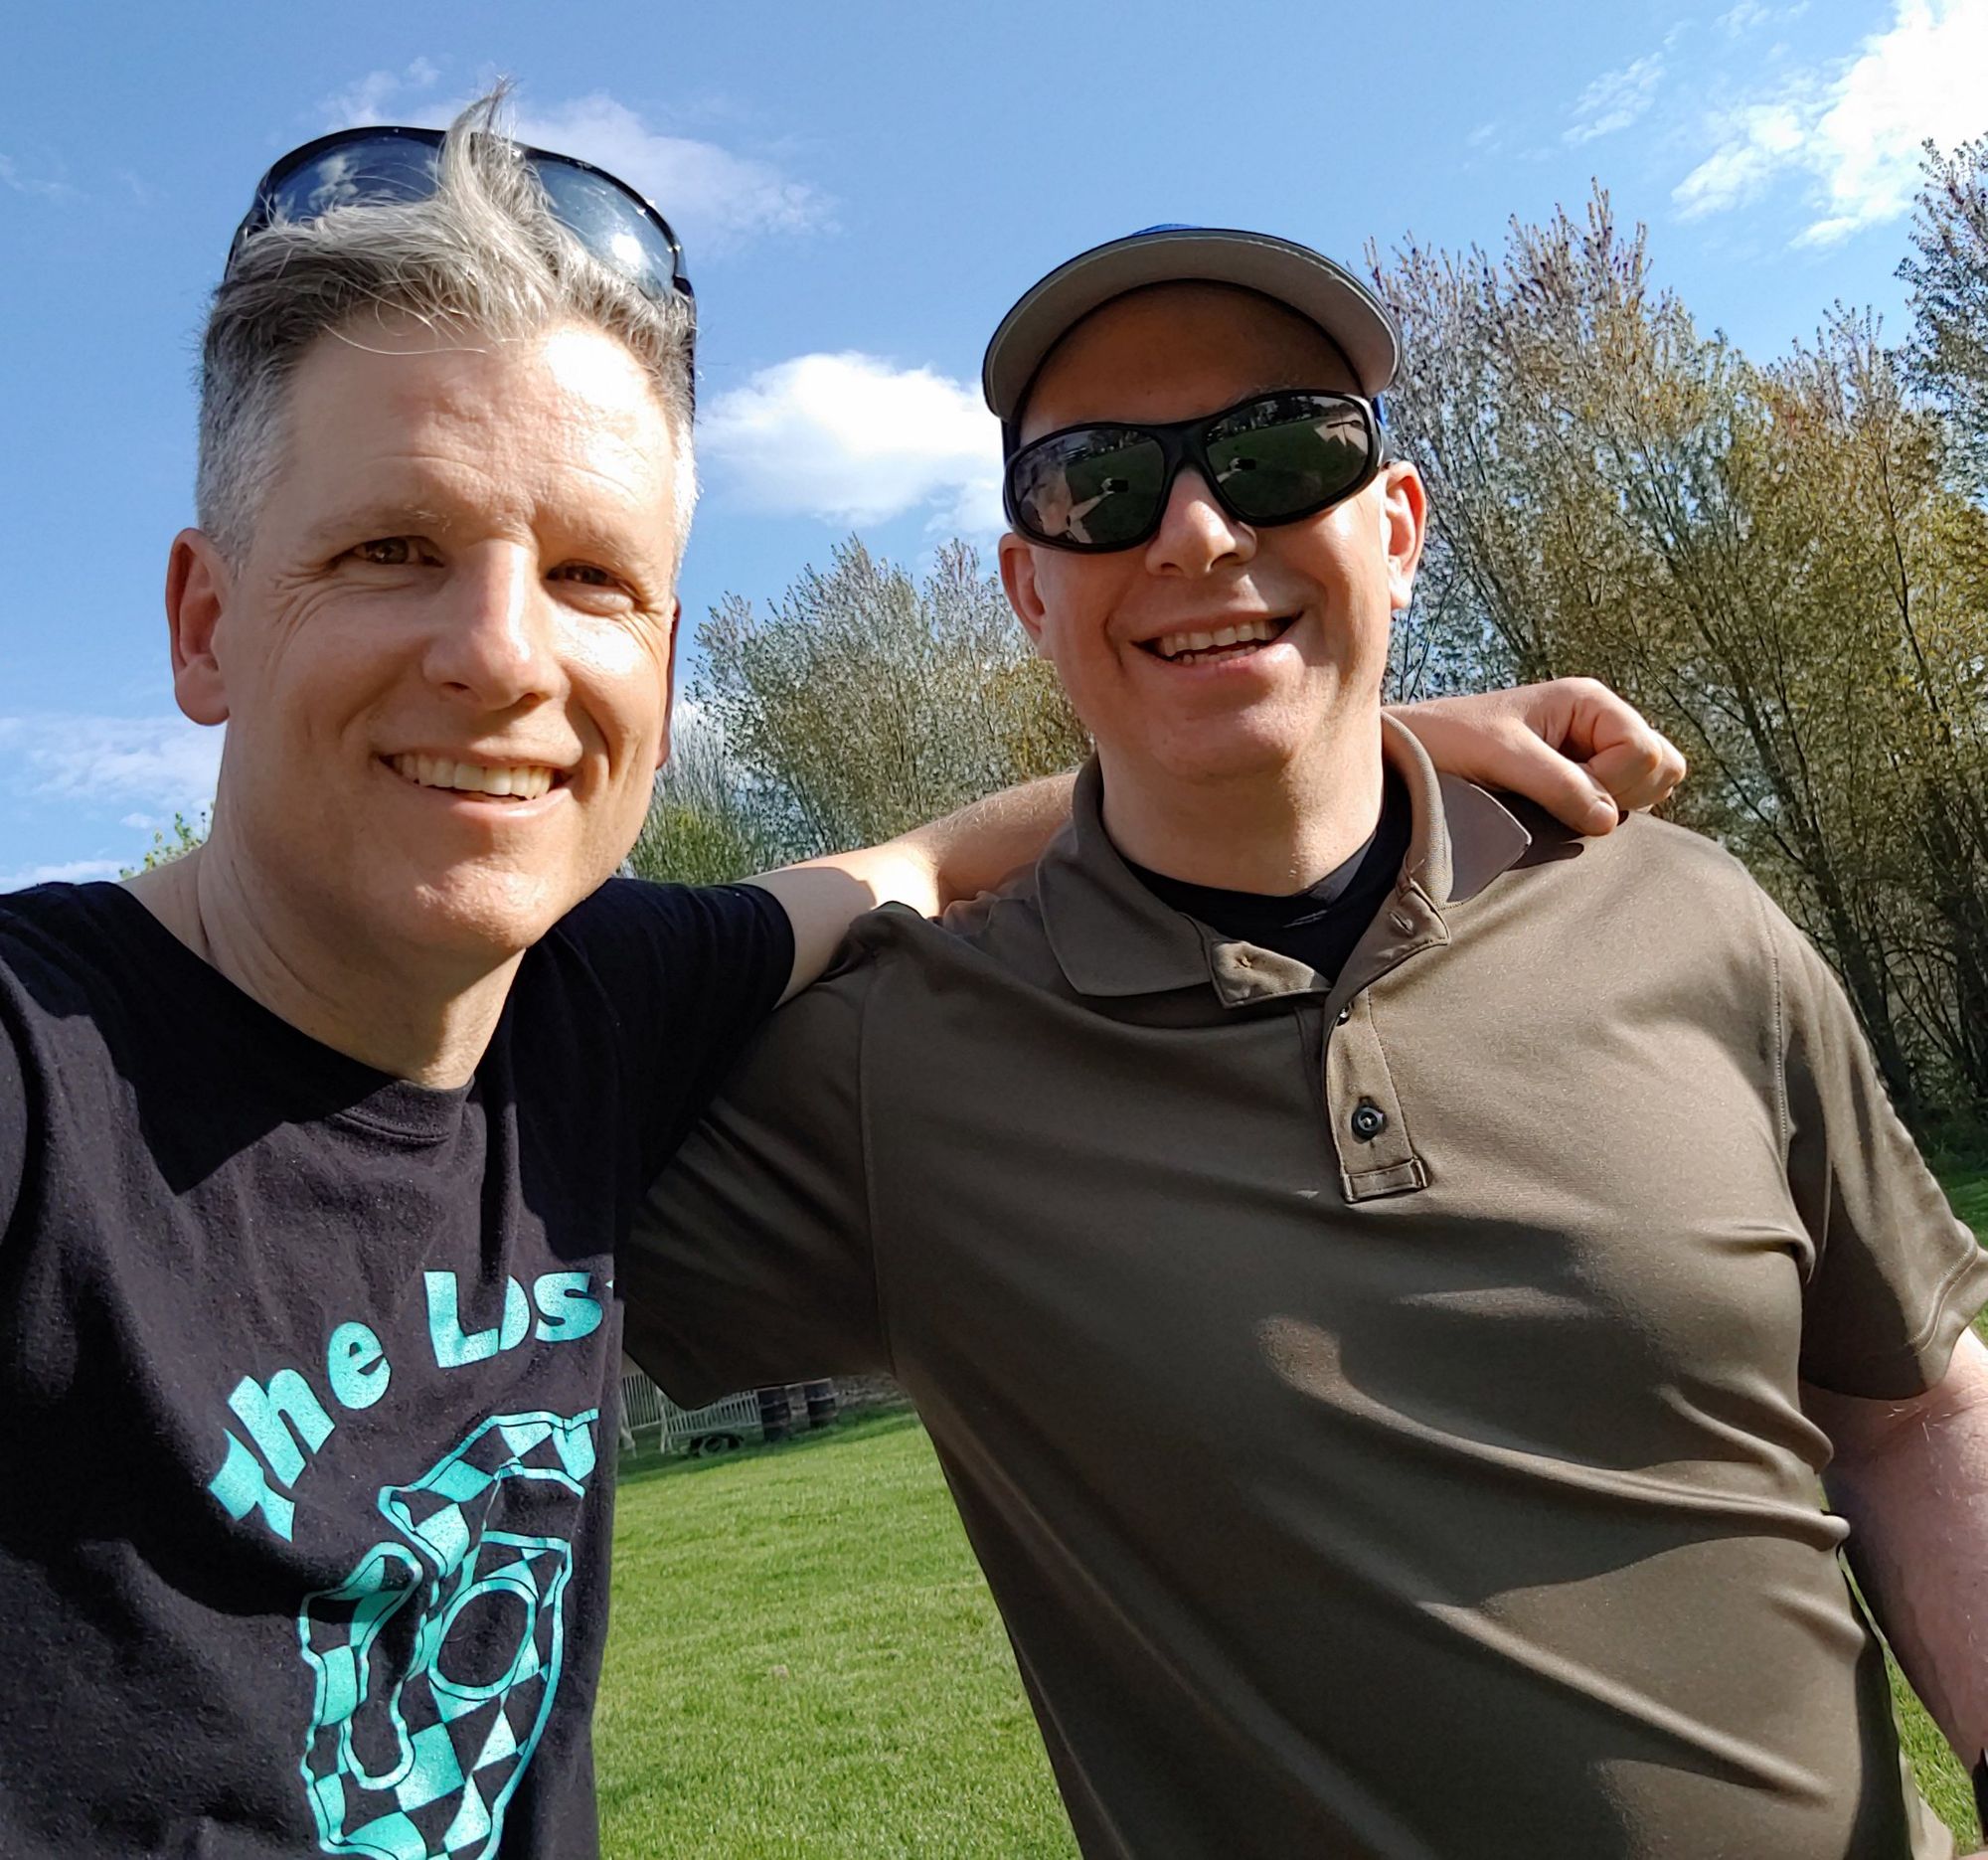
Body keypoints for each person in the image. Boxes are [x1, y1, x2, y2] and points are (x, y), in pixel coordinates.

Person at [0, 107, 1676, 1859]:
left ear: (661, 672)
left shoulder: (601, 1003)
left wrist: (1340, 732)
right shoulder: (40, 1075)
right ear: (204, 624)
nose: (501, 654)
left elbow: (926, 863)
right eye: (389, 551)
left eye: (589, 578)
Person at [628, 228, 1988, 1859]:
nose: (1200, 530)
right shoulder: (891, 1067)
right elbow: (497, 1035)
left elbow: (1915, 1414)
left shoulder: (1690, 913)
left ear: (1396, 530)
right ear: (1029, 589)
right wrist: (921, 858)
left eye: (1280, 455)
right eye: (1097, 486)